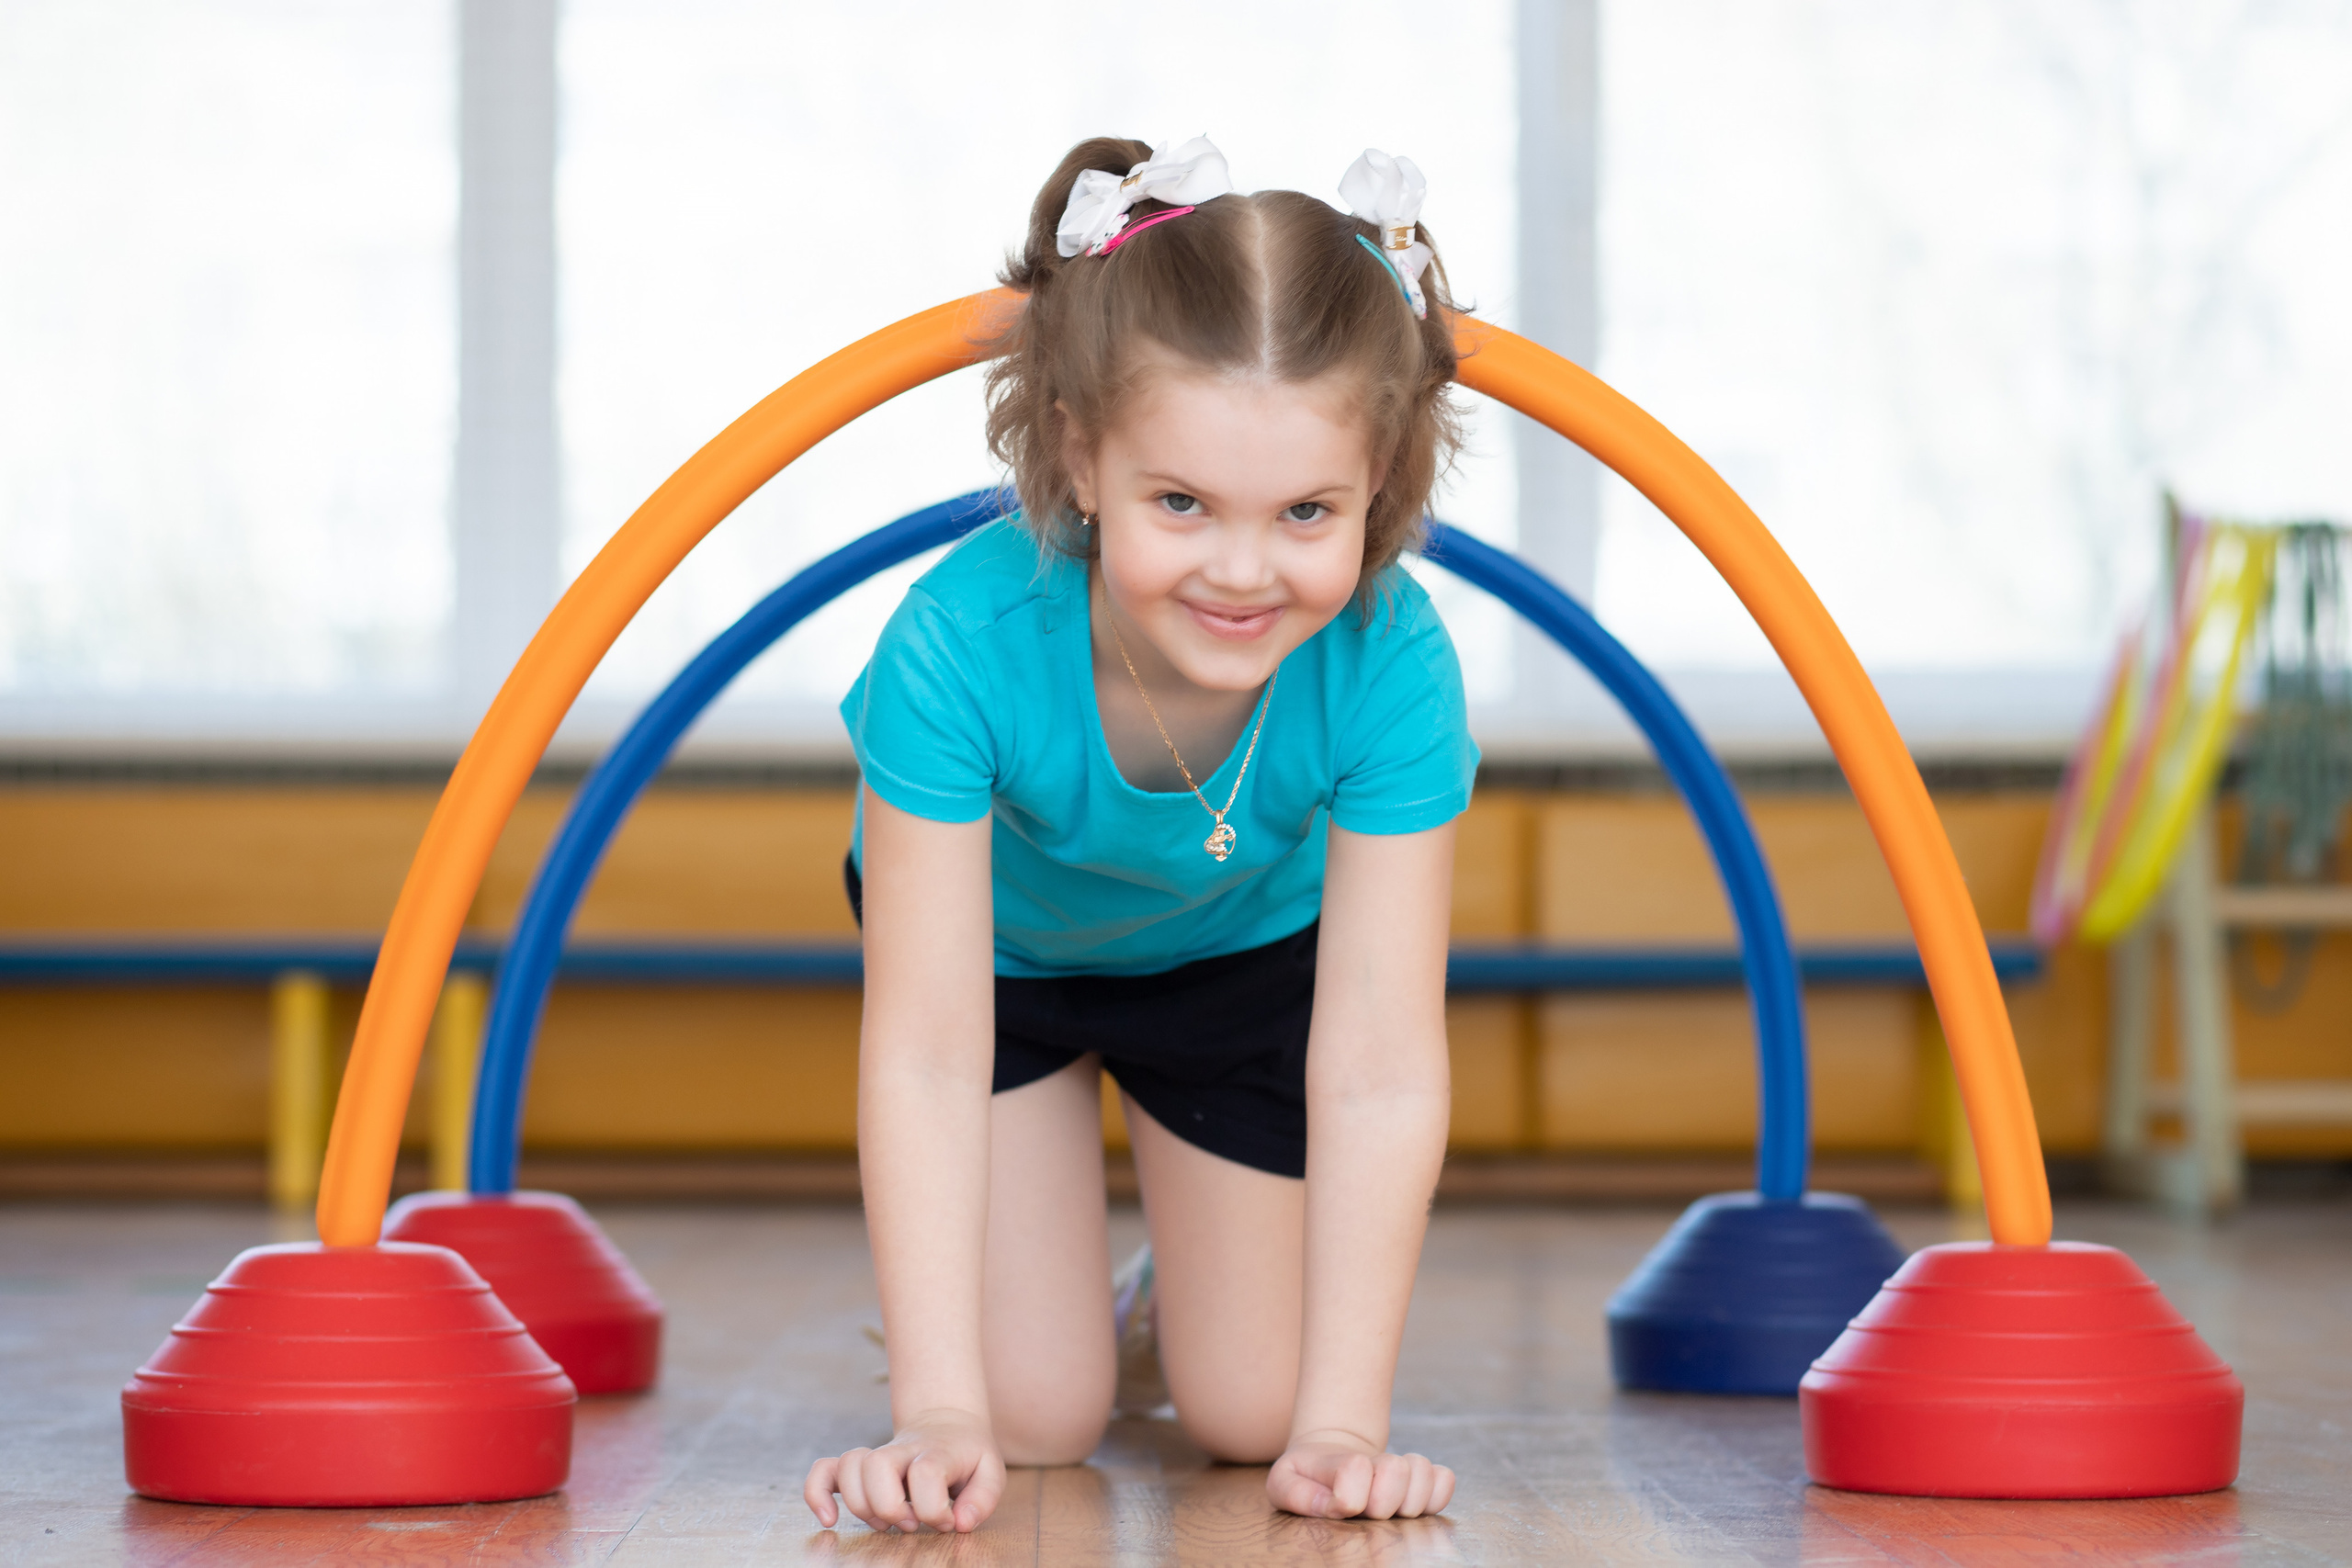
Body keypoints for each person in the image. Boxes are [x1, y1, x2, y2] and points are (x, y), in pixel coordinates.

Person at [804, 134, 1477, 1535]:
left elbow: (1380, 1060)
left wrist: (1344, 1426)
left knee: (1253, 1417)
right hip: (1005, 975)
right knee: (1033, 1421)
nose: (1244, 570)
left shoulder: (1394, 661)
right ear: (1080, 456)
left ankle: (1179, 1285)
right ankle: (1028, 1317)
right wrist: (936, 1407)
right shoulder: (958, 645)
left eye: (1306, 512)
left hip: (1241, 964)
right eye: (1183, 503)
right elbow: (928, 1054)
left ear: (1381, 487)